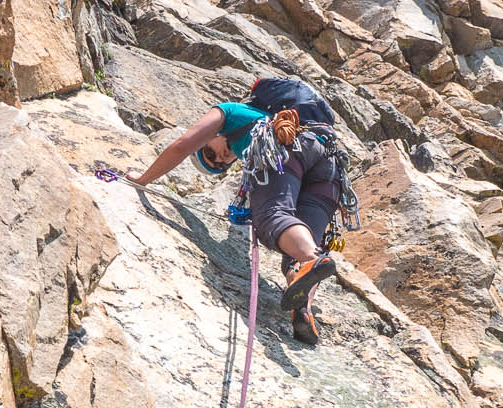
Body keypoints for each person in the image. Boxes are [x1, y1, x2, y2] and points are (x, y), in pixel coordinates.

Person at [126, 79, 346, 344]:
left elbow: (183, 145)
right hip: (330, 164)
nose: (219, 160)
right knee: (299, 249)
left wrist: (142, 179)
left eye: (209, 153)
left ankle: (311, 260)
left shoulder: (230, 112)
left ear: (210, 138)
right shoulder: (271, 131)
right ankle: (303, 310)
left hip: (292, 148)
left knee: (273, 217)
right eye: (219, 166)